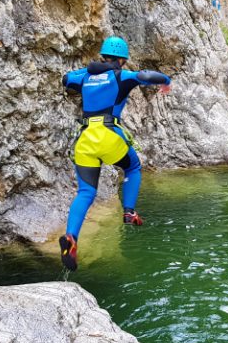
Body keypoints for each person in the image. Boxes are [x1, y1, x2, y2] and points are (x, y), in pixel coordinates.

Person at [58, 36, 171, 271]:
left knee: (86, 191)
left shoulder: (85, 76)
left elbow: (65, 79)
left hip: (85, 140)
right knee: (132, 167)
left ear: (104, 55)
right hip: (108, 135)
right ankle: (129, 212)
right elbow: (147, 76)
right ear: (122, 59)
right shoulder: (121, 76)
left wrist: (89, 70)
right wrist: (166, 81)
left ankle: (71, 238)